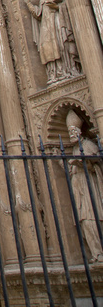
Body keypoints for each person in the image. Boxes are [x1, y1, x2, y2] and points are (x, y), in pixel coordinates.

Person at [26, 0, 78, 83]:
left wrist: (57, 8)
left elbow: (63, 3)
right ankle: (53, 73)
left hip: (56, 22)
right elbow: (39, 14)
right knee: (47, 46)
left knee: (59, 44)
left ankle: (65, 69)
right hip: (46, 25)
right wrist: (28, 3)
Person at [66, 110, 103, 263]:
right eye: (69, 132)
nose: (71, 134)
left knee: (93, 218)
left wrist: (82, 163)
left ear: (80, 131)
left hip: (90, 188)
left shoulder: (87, 145)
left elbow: (96, 164)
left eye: (73, 131)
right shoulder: (74, 150)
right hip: (79, 190)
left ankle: (99, 252)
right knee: (85, 221)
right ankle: (96, 253)